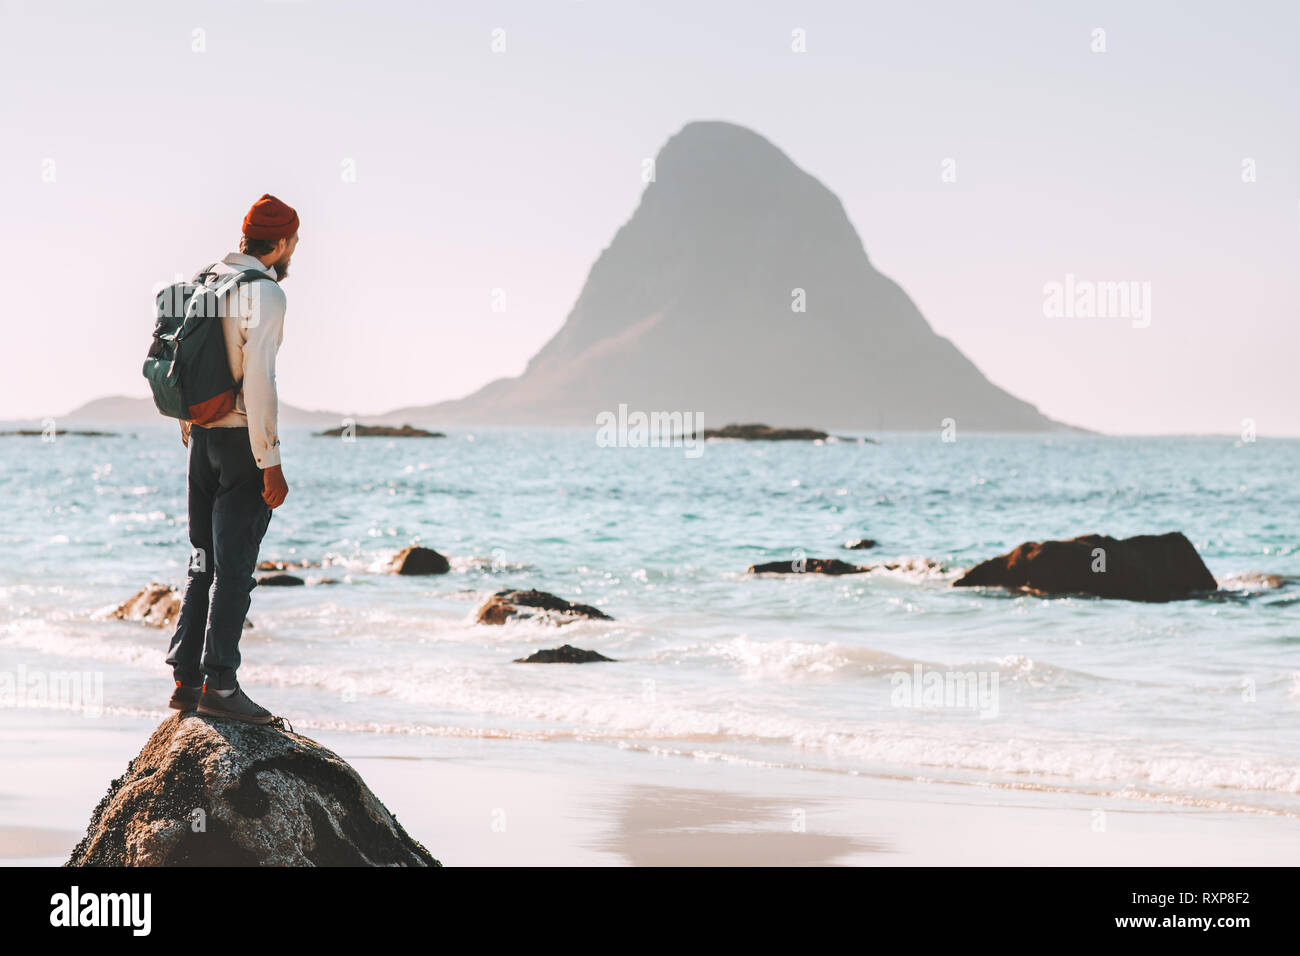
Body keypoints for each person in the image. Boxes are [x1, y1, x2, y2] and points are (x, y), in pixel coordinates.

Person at [164, 194, 297, 723]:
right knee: (235, 570)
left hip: (201, 438)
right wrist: (272, 461)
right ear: (282, 243)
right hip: (242, 443)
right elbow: (259, 380)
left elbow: (181, 355)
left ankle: (185, 679)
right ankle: (221, 686)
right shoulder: (264, 293)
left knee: (202, 563)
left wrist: (187, 425)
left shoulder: (205, 279)